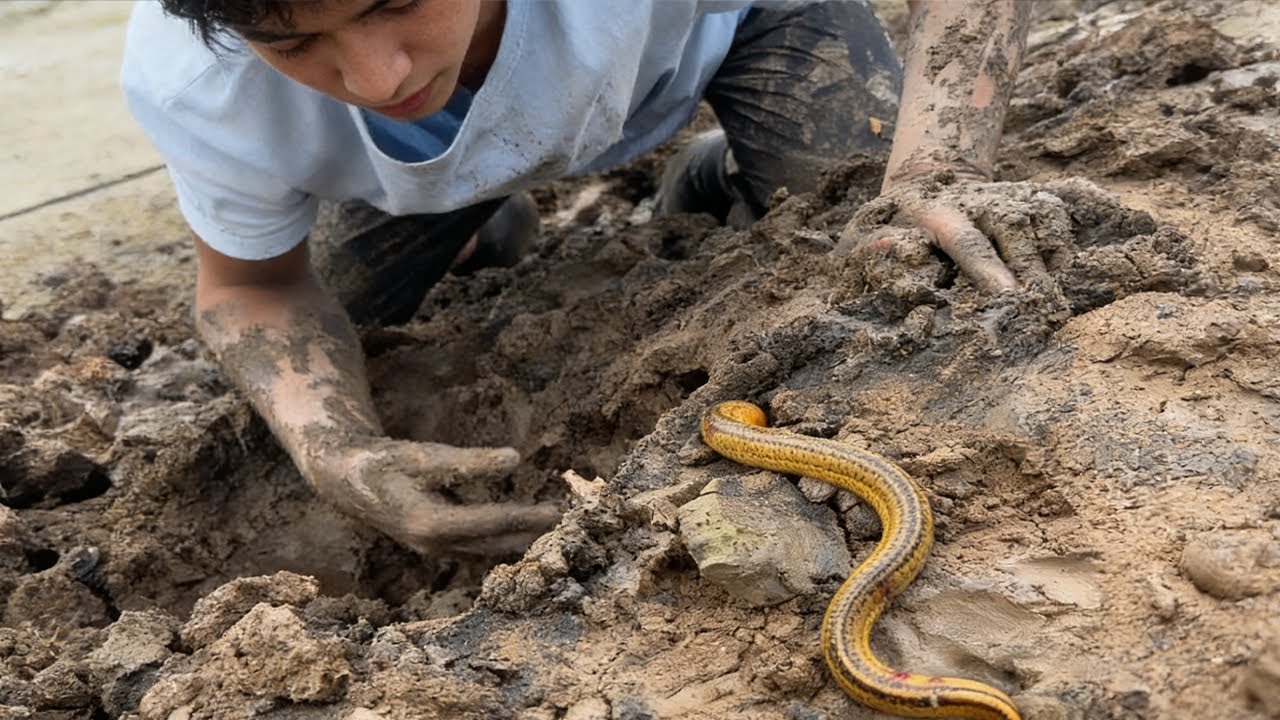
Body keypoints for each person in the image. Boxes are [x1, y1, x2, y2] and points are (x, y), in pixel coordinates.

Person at [121, 0, 1032, 554]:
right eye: (294, 43)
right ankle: (483, 222)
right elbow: (251, 288)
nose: (371, 74)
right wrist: (338, 451)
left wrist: (933, 169)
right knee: (317, 348)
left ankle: (715, 174)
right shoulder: (196, 80)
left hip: (714, 41)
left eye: (395, 0)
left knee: (877, 240)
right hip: (421, 180)